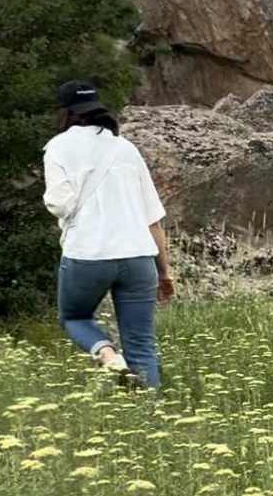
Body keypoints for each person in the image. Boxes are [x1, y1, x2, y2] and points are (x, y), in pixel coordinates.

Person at [43, 80, 174, 388]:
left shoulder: (58, 147)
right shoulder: (126, 148)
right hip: (138, 257)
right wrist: (165, 273)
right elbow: (153, 220)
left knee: (75, 318)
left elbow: (60, 204)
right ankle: (150, 411)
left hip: (88, 254)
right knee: (142, 344)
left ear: (65, 112)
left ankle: (108, 356)